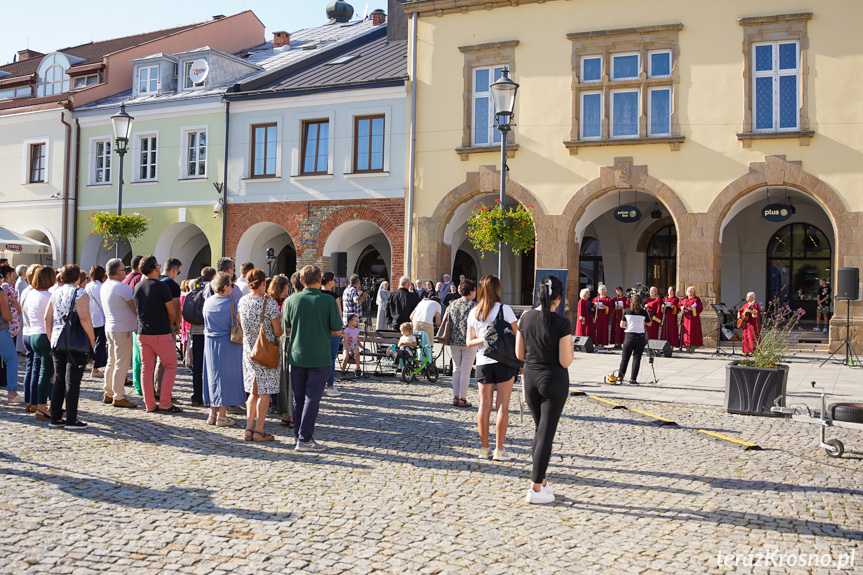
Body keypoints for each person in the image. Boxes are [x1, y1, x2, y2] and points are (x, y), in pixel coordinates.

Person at [516, 275, 573, 504]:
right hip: (553, 379)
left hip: (530, 377)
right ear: (558, 299)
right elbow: (565, 360)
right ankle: (535, 487)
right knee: (546, 434)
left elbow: (519, 354)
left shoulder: (526, 317)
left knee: (540, 431)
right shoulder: (561, 323)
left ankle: (542, 481)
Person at [283, 265, 343, 452]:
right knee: (312, 398)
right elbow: (337, 330)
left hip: (297, 354)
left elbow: (288, 328)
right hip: (319, 355)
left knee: (298, 398)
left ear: (301, 281)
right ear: (320, 280)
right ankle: (305, 438)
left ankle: (299, 437)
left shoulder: (292, 300)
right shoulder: (327, 301)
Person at [466, 275, 519, 461]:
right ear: (497, 289)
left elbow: (469, 342)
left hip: (482, 360)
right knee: (502, 406)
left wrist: (485, 339)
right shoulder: (505, 309)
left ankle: (484, 448)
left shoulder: (474, 312)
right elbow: (517, 335)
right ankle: (499, 449)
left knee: (484, 405)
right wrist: (521, 361)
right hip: (504, 361)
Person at [45, 265, 96, 428]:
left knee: (59, 379)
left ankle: (55, 417)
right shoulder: (80, 293)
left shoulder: (55, 292)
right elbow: (85, 318)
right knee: (73, 382)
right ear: (78, 278)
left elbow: (47, 318)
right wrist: (92, 340)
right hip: (75, 341)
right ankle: (71, 419)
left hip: (57, 340)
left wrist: (51, 338)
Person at [238, 269, 283, 442]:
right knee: (265, 392)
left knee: (253, 392)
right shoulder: (269, 304)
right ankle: (259, 430)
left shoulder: (243, 301)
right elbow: (278, 331)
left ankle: (248, 429)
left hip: (249, 351)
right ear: (264, 283)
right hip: (266, 351)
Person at [133, 256, 181, 413]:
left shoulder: (138, 286)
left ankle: (150, 404)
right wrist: (171, 325)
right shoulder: (161, 287)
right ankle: (165, 401)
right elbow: (171, 312)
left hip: (143, 332)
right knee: (171, 365)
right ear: (155, 268)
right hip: (160, 331)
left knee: (146, 369)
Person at [203, 272, 245, 428]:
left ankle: (212, 414)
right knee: (226, 379)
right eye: (231, 285)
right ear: (225, 286)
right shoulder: (232, 303)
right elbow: (242, 324)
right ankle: (222, 415)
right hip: (228, 344)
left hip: (210, 343)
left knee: (212, 377)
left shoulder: (207, 302)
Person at [100, 258, 138, 409]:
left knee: (112, 361)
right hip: (122, 329)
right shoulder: (121, 287)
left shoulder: (105, 285)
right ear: (117, 273)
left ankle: (108, 392)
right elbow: (134, 306)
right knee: (121, 363)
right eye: (123, 270)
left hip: (110, 327)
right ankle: (119, 395)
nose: (126, 272)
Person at [21, 266, 54, 418]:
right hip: (44, 335)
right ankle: (42, 406)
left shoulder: (31, 294)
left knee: (39, 371)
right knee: (46, 373)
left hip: (32, 333)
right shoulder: (48, 296)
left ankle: (36, 402)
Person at [187, 267, 216, 406]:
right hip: (208, 332)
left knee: (197, 366)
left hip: (195, 331)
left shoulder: (195, 289)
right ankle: (209, 395)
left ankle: (196, 397)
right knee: (210, 365)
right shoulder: (211, 290)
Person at [447, 279, 477, 408]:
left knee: (456, 369)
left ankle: (455, 396)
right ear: (470, 292)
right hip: (469, 341)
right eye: (475, 290)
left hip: (454, 340)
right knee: (466, 370)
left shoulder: (453, 304)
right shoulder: (474, 306)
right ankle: (463, 398)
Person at [617, 294, 653, 386]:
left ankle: (620, 378)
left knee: (625, 358)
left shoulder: (627, 311)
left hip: (629, 336)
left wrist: (628, 325)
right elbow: (649, 324)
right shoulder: (643, 312)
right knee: (636, 359)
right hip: (640, 337)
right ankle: (633, 380)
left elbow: (621, 325)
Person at [0, 268, 22, 403]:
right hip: (1, 330)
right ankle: (12, 392)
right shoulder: (1, 294)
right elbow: (7, 316)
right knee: (12, 359)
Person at [321, 271, 343, 398]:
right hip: (331, 330)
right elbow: (339, 314)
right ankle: (329, 385)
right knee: (331, 359)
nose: (335, 282)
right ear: (329, 281)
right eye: (334, 280)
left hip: (320, 329)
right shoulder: (334, 296)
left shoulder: (317, 294)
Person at [85, 265, 108, 379]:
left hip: (89, 318)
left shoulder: (87, 286)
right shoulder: (102, 287)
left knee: (89, 342)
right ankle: (96, 368)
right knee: (100, 343)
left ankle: (86, 363)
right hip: (100, 318)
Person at [679, 286, 704, 352]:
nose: (690, 291)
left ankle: (693, 347)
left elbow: (700, 308)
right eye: (688, 290)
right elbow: (679, 306)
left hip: (694, 319)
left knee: (693, 332)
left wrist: (692, 308)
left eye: (691, 290)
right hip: (686, 318)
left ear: (694, 292)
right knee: (686, 332)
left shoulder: (696, 299)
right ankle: (687, 347)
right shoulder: (684, 300)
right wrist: (682, 307)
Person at [738, 292, 761, 356]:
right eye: (747, 296)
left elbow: (756, 312)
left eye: (748, 297)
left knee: (751, 337)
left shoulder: (755, 305)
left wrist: (749, 311)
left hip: (752, 323)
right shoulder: (745, 305)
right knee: (745, 337)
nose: (746, 298)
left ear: (752, 298)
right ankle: (746, 351)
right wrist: (739, 316)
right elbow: (739, 311)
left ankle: (752, 351)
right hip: (745, 323)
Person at [592, 285, 612, 349]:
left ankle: (603, 343)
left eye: (603, 289)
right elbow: (592, 307)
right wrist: (594, 307)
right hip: (597, 316)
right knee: (597, 330)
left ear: (605, 291)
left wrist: (605, 307)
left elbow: (611, 309)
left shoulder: (608, 299)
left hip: (604, 317)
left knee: (603, 330)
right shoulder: (595, 299)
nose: (602, 291)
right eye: (600, 289)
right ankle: (596, 343)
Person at [14, 264, 28, 354]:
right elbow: (20, 297)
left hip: (23, 307)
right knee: (21, 327)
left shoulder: (22, 281)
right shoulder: (20, 282)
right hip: (21, 307)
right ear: (23, 272)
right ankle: (20, 348)